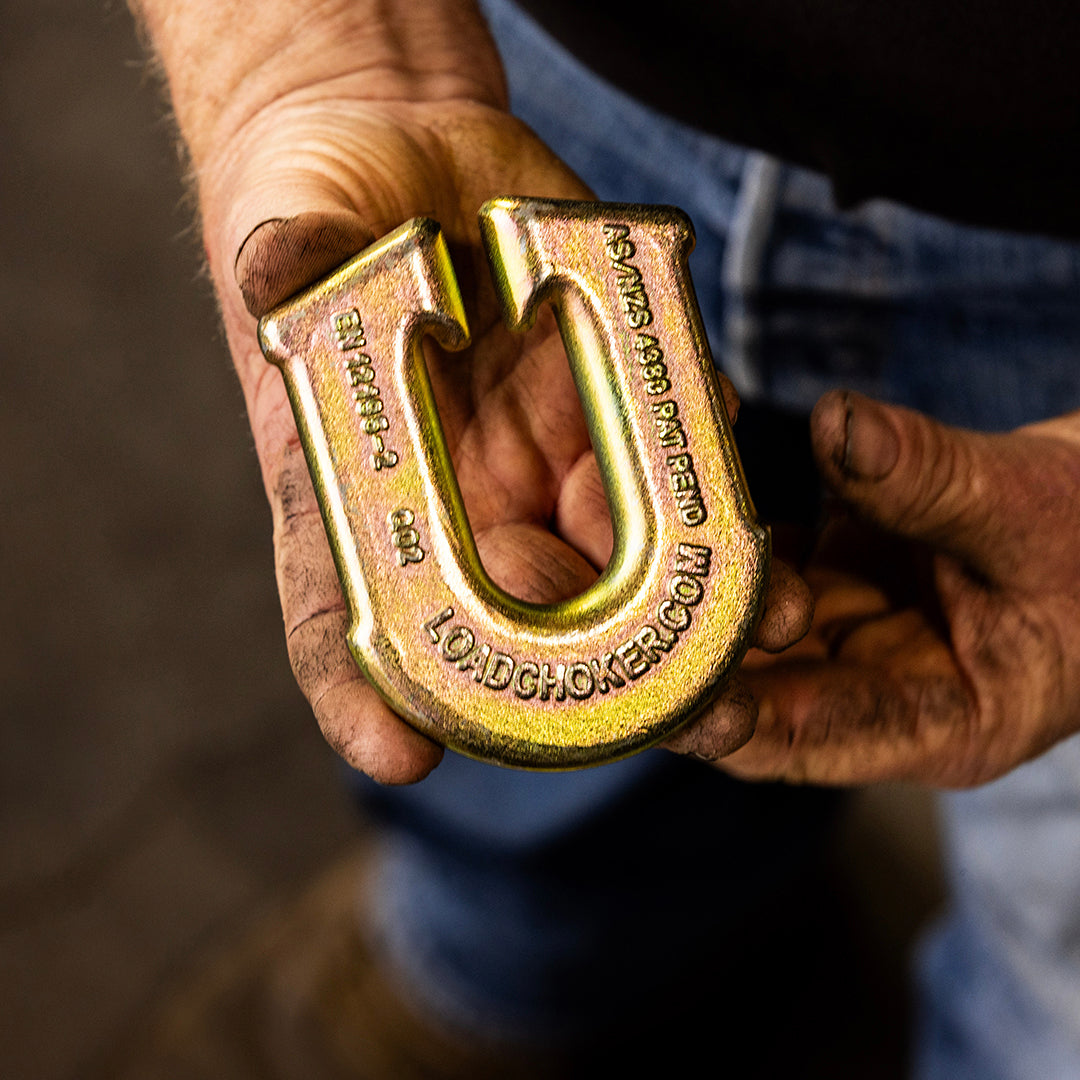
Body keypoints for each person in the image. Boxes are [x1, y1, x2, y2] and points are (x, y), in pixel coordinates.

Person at [127, 0, 1080, 1075]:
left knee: (1063, 964)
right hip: (527, 88)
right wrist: (300, 52)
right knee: (533, 784)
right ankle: (491, 983)